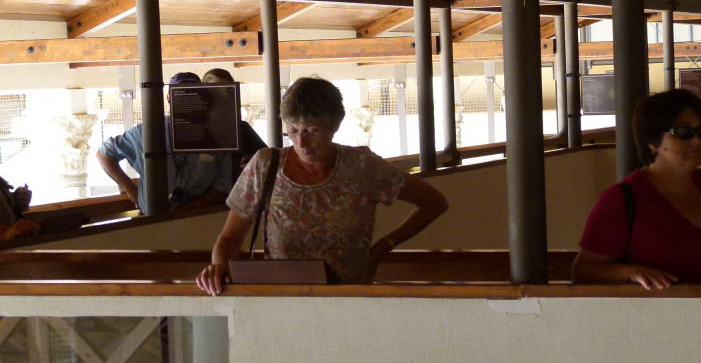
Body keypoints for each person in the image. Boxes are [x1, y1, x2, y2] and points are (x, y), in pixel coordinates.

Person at [196, 76, 448, 294]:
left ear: (335, 125)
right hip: (282, 298)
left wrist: (383, 246)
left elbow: (434, 203)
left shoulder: (362, 166)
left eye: (312, 131)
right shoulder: (265, 165)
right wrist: (219, 269)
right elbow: (230, 238)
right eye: (292, 131)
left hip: (348, 296)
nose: (301, 143)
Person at [573, 88, 701, 290]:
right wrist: (631, 272)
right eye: (684, 132)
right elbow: (583, 271)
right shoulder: (622, 199)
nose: (697, 141)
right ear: (652, 142)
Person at [97, 72, 234, 215]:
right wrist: (129, 188)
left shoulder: (216, 138)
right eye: (180, 94)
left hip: (195, 222)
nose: (187, 99)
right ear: (169, 98)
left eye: (193, 93)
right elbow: (104, 154)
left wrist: (182, 213)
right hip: (149, 223)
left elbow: (221, 187)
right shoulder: (145, 132)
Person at [202, 68, 267, 175]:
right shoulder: (194, 129)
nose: (220, 96)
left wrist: (251, 161)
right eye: (214, 91)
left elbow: (264, 155)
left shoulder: (241, 127)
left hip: (234, 186)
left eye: (226, 91)